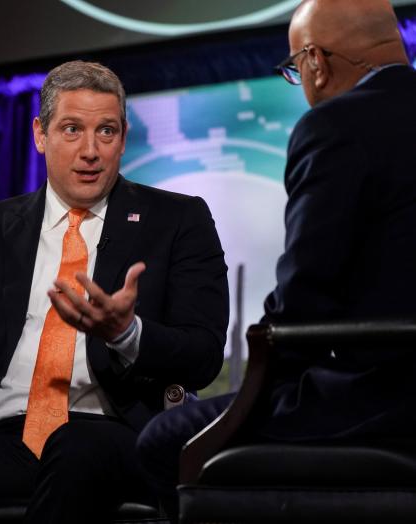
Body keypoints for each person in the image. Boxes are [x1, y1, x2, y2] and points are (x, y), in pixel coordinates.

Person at [0, 60, 229, 523]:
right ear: (39, 135)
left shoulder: (177, 220)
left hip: (111, 437)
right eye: (72, 129)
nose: (90, 150)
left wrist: (126, 332)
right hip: (2, 439)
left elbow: (205, 353)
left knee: (76, 444)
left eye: (106, 131)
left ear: (123, 139)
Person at [136, 0, 416, 519]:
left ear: (315, 61)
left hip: (378, 397)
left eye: (294, 69)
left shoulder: (337, 125)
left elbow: (304, 299)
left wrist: (256, 391)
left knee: (161, 441)